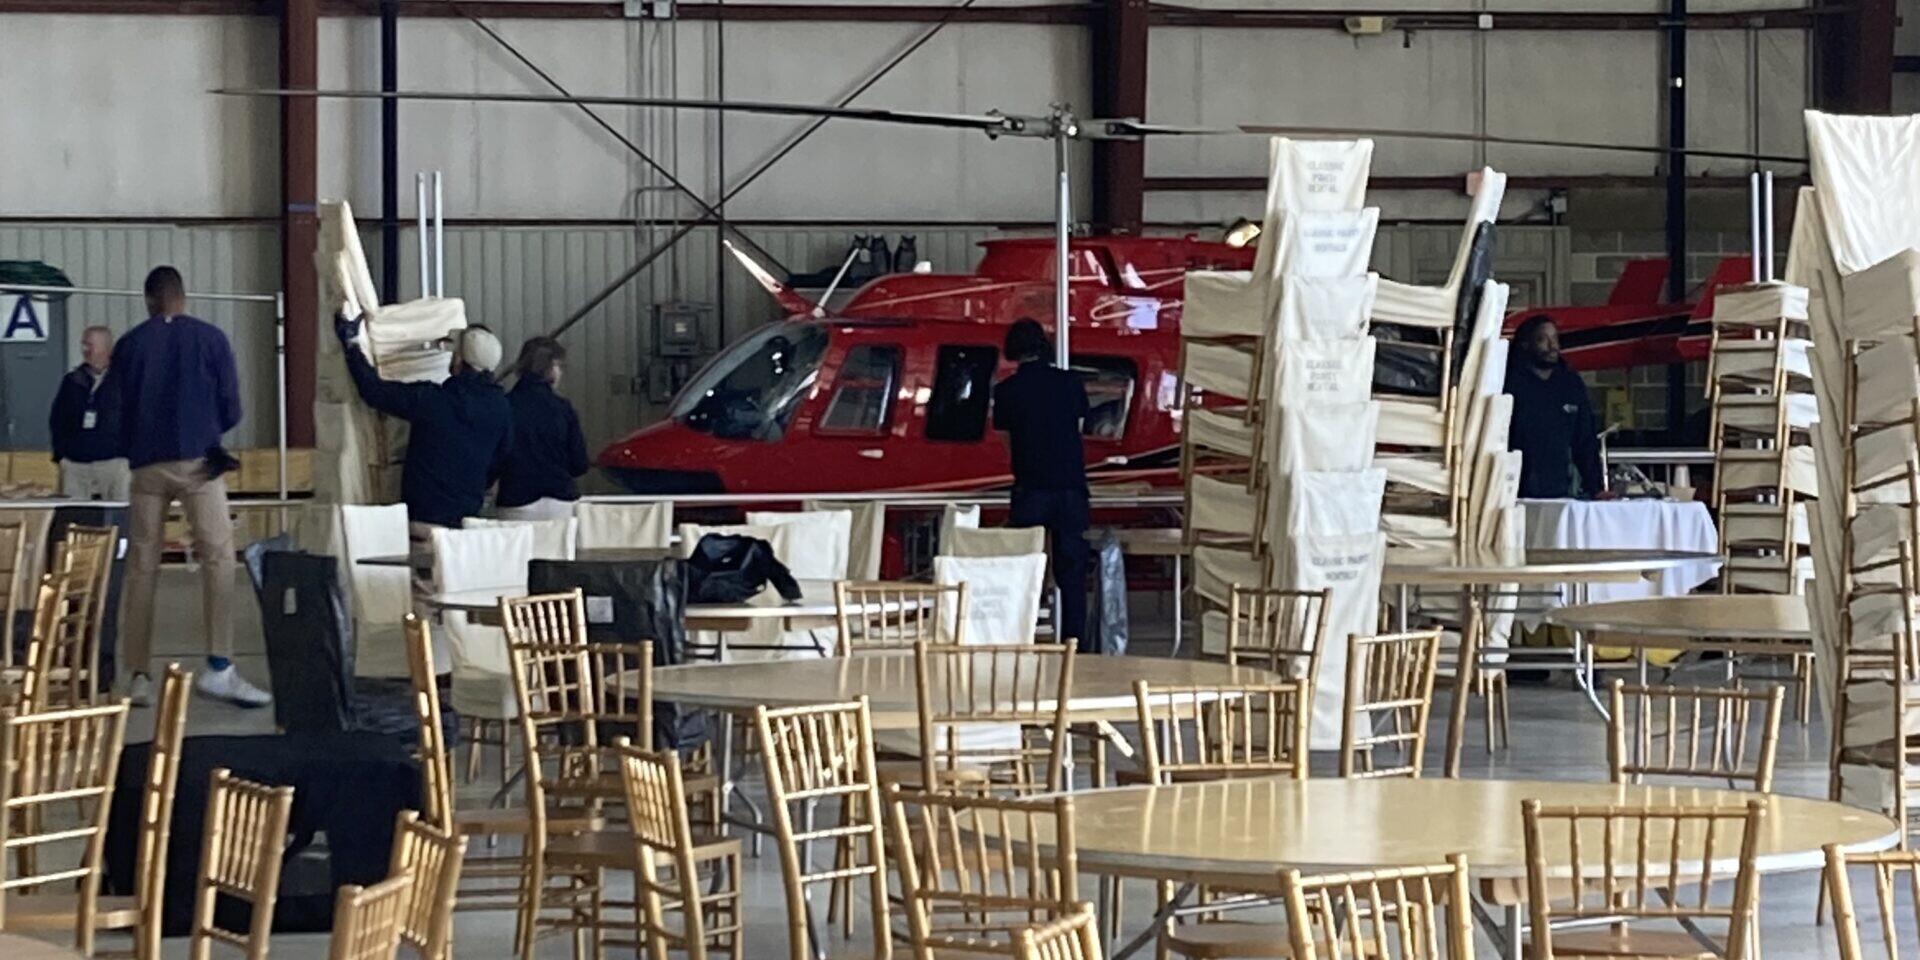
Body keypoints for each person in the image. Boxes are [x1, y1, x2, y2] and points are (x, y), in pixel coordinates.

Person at [111, 267, 269, 708]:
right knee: (218, 557)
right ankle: (219, 667)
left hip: (146, 467)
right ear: (183, 296)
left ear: (148, 299)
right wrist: (205, 431)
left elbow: (115, 411)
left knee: (142, 566)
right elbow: (232, 406)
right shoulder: (211, 339)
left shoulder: (130, 345)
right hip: (199, 462)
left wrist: (137, 445)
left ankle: (137, 674)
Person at [334, 315, 513, 588]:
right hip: (467, 521)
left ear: (459, 362)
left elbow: (374, 392)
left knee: (424, 599)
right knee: (458, 593)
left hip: (424, 521)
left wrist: (351, 344)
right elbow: (500, 461)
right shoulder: (501, 410)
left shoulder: (434, 401)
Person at [991, 318, 1091, 647]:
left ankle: (1023, 634)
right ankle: (1076, 644)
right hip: (1070, 486)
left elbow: (1007, 442)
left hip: (1031, 486)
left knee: (1025, 565)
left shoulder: (1005, 391)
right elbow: (1077, 431)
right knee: (1072, 571)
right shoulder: (1071, 383)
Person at [1505, 314, 1605, 499]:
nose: (1553, 346)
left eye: (1555, 339)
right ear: (1525, 344)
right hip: (1511, 491)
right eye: (1543, 339)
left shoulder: (1570, 384)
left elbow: (1585, 441)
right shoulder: (1508, 384)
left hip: (1558, 491)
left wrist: (1596, 488)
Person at [495, 336, 589, 521]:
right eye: (560, 367)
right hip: (561, 501)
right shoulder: (563, 409)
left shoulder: (505, 406)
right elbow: (579, 464)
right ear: (551, 367)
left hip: (516, 500)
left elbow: (495, 458)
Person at [50, 325, 129, 500]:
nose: (85, 349)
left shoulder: (126, 380)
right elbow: (58, 420)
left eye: (90, 344)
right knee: (73, 516)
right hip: (76, 464)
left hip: (114, 462)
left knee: (121, 515)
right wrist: (61, 456)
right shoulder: (72, 381)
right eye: (83, 344)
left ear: (107, 347)